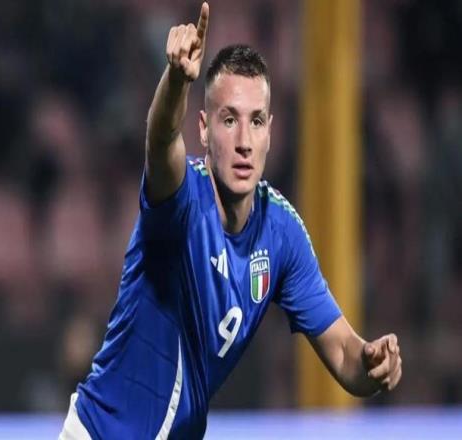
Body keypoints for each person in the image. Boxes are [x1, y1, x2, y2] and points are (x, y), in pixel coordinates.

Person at [59, 3, 402, 439]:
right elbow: (161, 140)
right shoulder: (182, 200)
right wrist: (176, 82)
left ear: (270, 132)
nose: (244, 141)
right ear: (203, 129)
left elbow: (344, 353)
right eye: (229, 120)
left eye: (256, 121)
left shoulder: (281, 234)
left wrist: (372, 365)